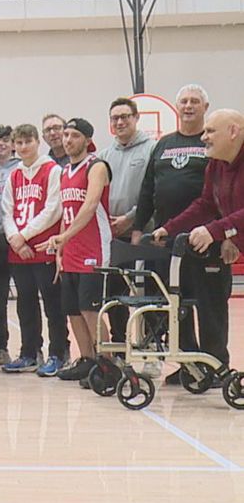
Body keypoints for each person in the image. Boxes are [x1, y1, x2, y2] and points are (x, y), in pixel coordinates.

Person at [135, 85, 225, 385]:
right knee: (177, 304)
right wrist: (140, 227)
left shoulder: (213, 144)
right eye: (184, 101)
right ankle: (190, 365)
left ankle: (215, 366)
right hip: (169, 241)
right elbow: (148, 188)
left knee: (210, 305)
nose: (188, 106)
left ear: (205, 106)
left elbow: (217, 198)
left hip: (207, 239)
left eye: (195, 101)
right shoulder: (162, 144)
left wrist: (225, 236)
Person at [152, 106, 244, 377]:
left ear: (234, 132)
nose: (203, 137)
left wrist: (218, 231)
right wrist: (168, 229)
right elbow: (206, 204)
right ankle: (202, 367)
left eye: (210, 131)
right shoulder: (215, 163)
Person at [36, 118, 112, 383]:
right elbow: (65, 214)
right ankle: (87, 359)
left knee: (91, 309)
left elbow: (90, 206)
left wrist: (64, 237)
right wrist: (61, 249)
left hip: (94, 248)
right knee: (73, 310)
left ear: (87, 140)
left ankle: (107, 364)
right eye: (66, 134)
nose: (67, 139)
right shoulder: (65, 171)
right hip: (70, 251)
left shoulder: (97, 166)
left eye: (74, 135)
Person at [0, 124, 67, 376]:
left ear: (37, 142)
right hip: (19, 250)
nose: (24, 146)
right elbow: (7, 210)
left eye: (28, 141)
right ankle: (29, 352)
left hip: (43, 247)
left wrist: (24, 235)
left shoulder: (52, 170)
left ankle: (58, 353)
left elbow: (53, 209)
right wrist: (14, 239)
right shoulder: (14, 175)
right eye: (19, 142)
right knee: (25, 303)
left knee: (53, 304)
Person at [97, 97, 153, 347]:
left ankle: (151, 347)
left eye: (125, 117)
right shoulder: (104, 155)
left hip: (144, 234)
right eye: (115, 118)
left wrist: (130, 218)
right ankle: (121, 347)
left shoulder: (151, 149)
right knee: (115, 294)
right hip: (113, 236)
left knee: (149, 294)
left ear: (136, 118)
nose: (119, 122)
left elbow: (152, 192)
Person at [0, 125, 21, 365]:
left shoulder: (22, 169)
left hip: (19, 239)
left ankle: (35, 349)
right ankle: (1, 346)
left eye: (4, 140)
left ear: (12, 144)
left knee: (27, 296)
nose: (0, 144)